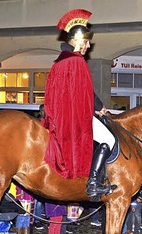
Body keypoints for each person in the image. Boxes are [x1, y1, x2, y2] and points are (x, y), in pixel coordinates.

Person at [43, 9, 115, 197]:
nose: (89, 45)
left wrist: (97, 106)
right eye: (86, 41)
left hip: (62, 115)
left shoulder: (60, 61)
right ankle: (92, 182)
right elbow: (84, 92)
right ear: (75, 40)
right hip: (75, 115)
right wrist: (99, 108)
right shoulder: (75, 61)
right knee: (109, 139)